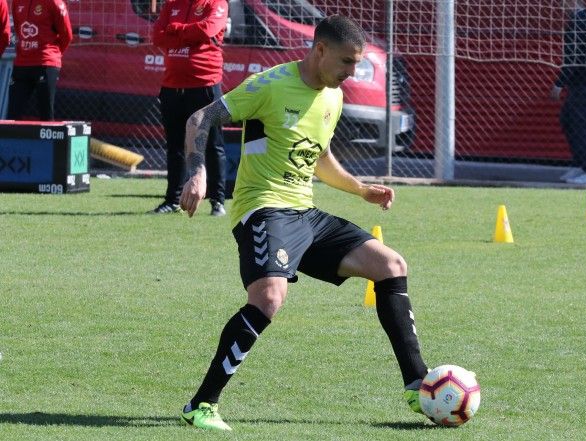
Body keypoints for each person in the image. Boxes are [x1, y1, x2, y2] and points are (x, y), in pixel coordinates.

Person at [178, 15, 430, 431]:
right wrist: (197, 172)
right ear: (320, 50)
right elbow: (199, 119)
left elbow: (319, 156)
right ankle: (202, 405)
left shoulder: (332, 95)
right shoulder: (270, 85)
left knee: (391, 266)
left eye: (357, 64)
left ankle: (419, 385)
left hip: (305, 213)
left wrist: (359, 189)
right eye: (347, 62)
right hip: (264, 209)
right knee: (270, 299)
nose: (351, 73)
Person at [150, 0, 228, 216]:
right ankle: (172, 200)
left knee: (212, 144)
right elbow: (157, 36)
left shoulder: (216, 3)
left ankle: (218, 201)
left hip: (204, 85)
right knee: (175, 147)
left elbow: (207, 29)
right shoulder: (171, 5)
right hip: (172, 86)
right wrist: (190, 36)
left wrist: (175, 31)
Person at [552, 0, 586, 185]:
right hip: (580, 84)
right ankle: (580, 165)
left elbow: (574, 57)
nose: (559, 6)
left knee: (581, 125)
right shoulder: (578, 21)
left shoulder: (582, 22)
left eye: (561, 3)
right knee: (568, 121)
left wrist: (559, 83)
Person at [8, 0, 72, 121]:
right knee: (12, 115)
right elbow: (18, 30)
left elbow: (67, 35)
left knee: (46, 114)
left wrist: (52, 56)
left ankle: (48, 140)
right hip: (22, 64)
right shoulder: (17, 2)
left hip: (45, 64)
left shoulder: (54, 2)